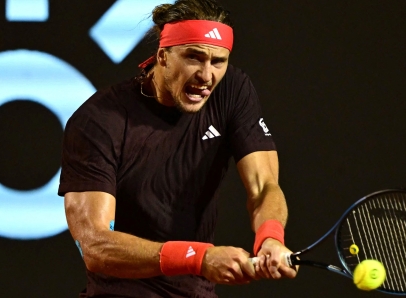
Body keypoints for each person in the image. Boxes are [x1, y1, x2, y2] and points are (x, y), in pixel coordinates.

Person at [58, 0, 297, 297]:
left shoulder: (232, 91)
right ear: (163, 56)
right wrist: (198, 258)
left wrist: (270, 238)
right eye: (194, 57)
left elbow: (264, 187)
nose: (207, 75)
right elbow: (95, 245)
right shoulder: (99, 120)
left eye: (218, 61)